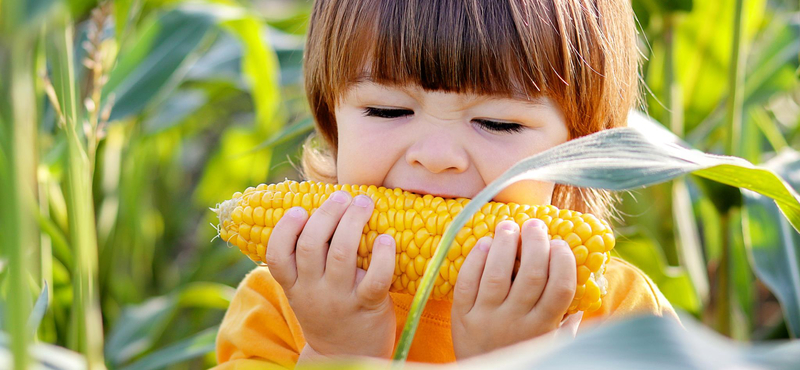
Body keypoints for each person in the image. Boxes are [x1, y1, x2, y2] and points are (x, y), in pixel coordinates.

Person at [214, 0, 678, 367]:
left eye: (497, 122)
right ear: (331, 121)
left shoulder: (622, 318)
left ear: (585, 149)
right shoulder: (277, 309)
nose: (436, 158)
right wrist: (337, 357)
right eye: (388, 111)